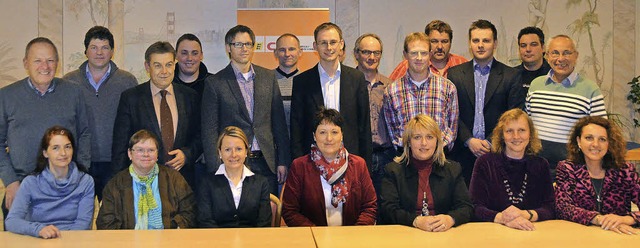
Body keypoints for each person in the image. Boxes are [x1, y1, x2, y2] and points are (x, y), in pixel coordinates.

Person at [0, 37, 91, 217]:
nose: (45, 66)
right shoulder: (6, 96)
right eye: (38, 60)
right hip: (21, 187)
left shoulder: (73, 93)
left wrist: (80, 174)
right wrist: (10, 182)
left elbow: (84, 134)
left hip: (65, 188)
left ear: (57, 63)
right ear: (26, 63)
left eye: (50, 60)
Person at [202, 25, 290, 196]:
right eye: (238, 44)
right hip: (232, 163)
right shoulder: (215, 83)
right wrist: (215, 167)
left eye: (248, 44)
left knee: (266, 215)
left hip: (266, 162)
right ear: (228, 48)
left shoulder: (268, 77)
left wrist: (283, 160)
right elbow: (209, 130)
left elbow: (278, 122)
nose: (244, 49)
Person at [112, 41, 201, 189]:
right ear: (148, 67)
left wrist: (187, 154)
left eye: (169, 64)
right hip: (142, 182)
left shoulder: (190, 97)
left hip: (182, 182)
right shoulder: (131, 98)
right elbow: (120, 145)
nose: (164, 71)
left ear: (175, 65)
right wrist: (119, 185)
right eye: (158, 65)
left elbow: (200, 135)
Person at [63, 26, 138, 200]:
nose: (99, 53)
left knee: (113, 218)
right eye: (94, 47)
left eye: (104, 47)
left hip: (116, 162)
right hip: (79, 162)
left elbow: (134, 122)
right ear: (85, 51)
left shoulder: (127, 81)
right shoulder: (69, 81)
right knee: (80, 216)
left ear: (112, 51)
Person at [447, 19, 523, 185]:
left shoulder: (511, 76)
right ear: (470, 43)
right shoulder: (455, 74)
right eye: (476, 40)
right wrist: (469, 140)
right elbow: (452, 114)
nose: (480, 45)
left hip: (497, 153)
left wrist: (490, 141)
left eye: (486, 40)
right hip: (463, 153)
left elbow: (513, 115)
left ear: (495, 43)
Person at [290, 22, 372, 166]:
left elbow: (364, 126)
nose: (329, 48)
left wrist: (365, 166)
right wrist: (299, 165)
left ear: (341, 44)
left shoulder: (357, 78)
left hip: (350, 160)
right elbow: (297, 127)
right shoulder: (302, 82)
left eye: (333, 42)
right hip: (312, 162)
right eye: (323, 43)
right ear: (315, 47)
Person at [526, 35, 607, 177]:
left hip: (573, 170)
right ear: (547, 56)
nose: (561, 59)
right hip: (535, 166)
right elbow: (527, 124)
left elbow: (601, 132)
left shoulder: (590, 89)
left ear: (576, 56)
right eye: (555, 53)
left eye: (567, 53)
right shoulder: (535, 85)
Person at [282, 108, 376, 226]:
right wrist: (316, 234)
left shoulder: (358, 165)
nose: (329, 138)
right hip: (312, 239)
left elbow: (369, 207)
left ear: (342, 135)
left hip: (352, 239)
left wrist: (355, 234)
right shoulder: (299, 167)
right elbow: (289, 211)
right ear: (314, 136)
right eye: (322, 132)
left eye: (334, 132)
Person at [379, 114, 473, 232]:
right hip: (406, 235)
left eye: (429, 137)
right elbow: (388, 210)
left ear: (437, 142)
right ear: (408, 142)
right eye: (417, 137)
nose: (424, 143)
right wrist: (415, 221)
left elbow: (466, 207)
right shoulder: (393, 171)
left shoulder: (452, 170)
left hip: (443, 235)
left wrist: (450, 219)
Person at [469, 109, 554, 231]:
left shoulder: (541, 165)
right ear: (502, 135)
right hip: (492, 233)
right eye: (509, 131)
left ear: (530, 134)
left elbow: (550, 208)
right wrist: (503, 218)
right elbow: (474, 207)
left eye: (522, 130)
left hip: (532, 232)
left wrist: (524, 214)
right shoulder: (485, 163)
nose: (516, 136)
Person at [5, 126, 94, 238]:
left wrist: (67, 241)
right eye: (55, 148)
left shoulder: (86, 181)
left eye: (67, 147)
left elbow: (83, 223)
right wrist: (38, 230)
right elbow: (12, 221)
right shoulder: (30, 182)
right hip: (39, 239)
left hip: (73, 239)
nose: (63, 153)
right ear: (45, 153)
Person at [555, 116, 640, 235]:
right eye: (589, 138)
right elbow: (562, 208)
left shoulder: (625, 170)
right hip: (578, 236)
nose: (595, 144)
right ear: (579, 141)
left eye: (602, 139)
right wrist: (599, 219)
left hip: (617, 237)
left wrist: (626, 219)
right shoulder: (567, 168)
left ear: (609, 143)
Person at [97, 129, 196, 229]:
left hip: (168, 241)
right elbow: (106, 222)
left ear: (157, 154)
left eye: (151, 150)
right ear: (130, 154)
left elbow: (189, 212)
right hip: (128, 242)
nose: (146, 154)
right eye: (140, 150)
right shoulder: (115, 184)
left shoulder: (174, 179)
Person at [383, 32, 458, 152]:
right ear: (405, 55)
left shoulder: (447, 88)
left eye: (423, 53)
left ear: (430, 54)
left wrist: (438, 148)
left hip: (440, 156)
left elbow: (452, 128)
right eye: (413, 53)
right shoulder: (392, 91)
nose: (419, 58)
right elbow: (393, 131)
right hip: (406, 159)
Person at [197, 126, 271, 228]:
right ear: (220, 153)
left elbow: (264, 223)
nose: (234, 154)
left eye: (239, 149)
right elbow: (205, 222)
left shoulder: (261, 183)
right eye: (227, 149)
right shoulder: (207, 183)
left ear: (246, 152)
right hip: (216, 241)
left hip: (252, 241)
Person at [353, 33, 394, 201]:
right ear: (356, 54)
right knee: (356, 204)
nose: (371, 57)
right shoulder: (346, 83)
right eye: (366, 52)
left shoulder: (390, 86)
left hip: (385, 156)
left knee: (384, 207)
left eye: (376, 53)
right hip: (355, 156)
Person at [388, 20, 467, 81]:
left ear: (450, 43)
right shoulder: (408, 65)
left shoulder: (462, 63)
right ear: (427, 42)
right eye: (434, 41)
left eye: (444, 41)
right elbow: (390, 90)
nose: (440, 46)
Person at [273, 33, 303, 131]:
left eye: (291, 49)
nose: (287, 54)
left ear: (300, 52)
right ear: (275, 53)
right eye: (282, 50)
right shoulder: (266, 80)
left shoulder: (307, 80)